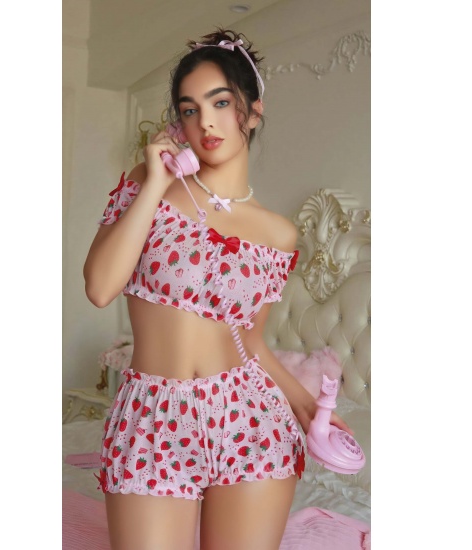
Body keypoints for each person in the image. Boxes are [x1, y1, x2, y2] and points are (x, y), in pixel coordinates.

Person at [83, 27, 352, 550]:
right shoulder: (146, 184)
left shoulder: (279, 233)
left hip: (250, 421)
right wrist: (155, 184)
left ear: (252, 112)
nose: (205, 121)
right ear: (177, 123)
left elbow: (249, 342)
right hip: (152, 417)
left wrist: (307, 408)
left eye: (221, 102)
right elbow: (99, 287)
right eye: (190, 109)